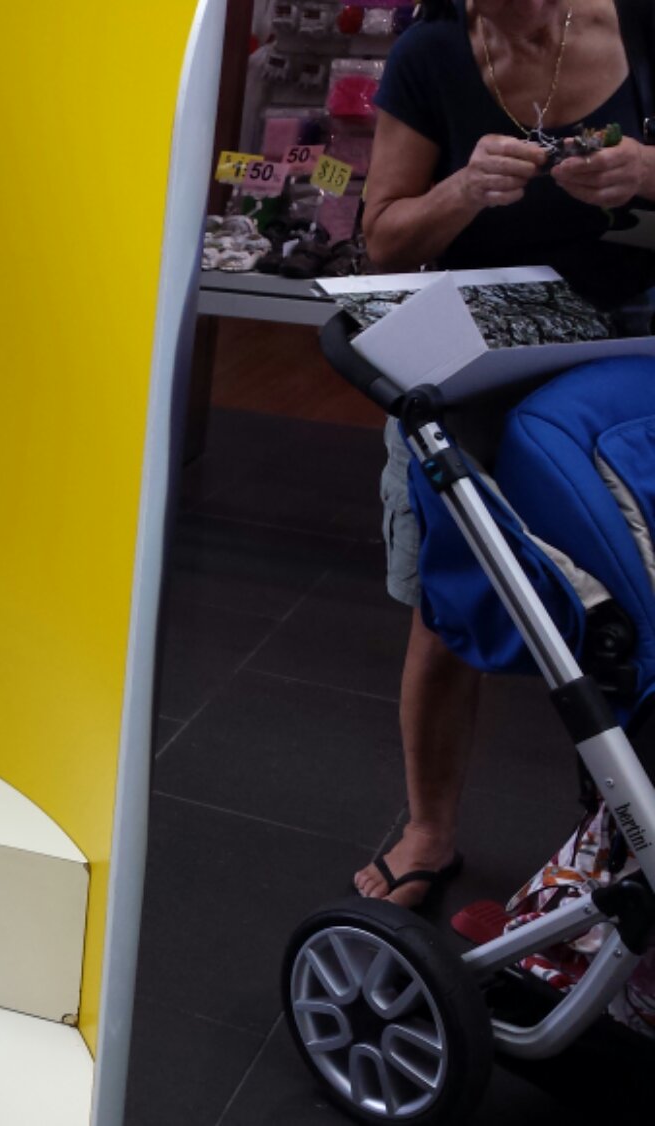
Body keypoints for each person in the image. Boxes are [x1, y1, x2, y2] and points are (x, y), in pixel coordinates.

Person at [355, 0, 655, 907]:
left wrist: (649, 170)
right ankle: (429, 827)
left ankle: (622, 827)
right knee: (450, 597)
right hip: (473, 353)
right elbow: (382, 240)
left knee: (635, 589)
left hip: (628, 361)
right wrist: (462, 190)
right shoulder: (431, 53)